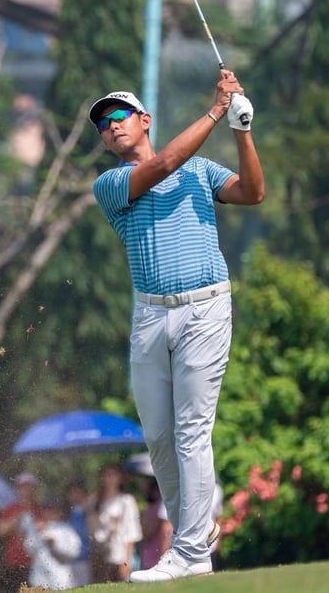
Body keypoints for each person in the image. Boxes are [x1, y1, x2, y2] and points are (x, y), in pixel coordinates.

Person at [90, 71, 263, 583]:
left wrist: (242, 128)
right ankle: (197, 536)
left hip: (206, 307)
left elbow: (253, 193)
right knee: (160, 439)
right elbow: (165, 162)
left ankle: (188, 552)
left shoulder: (202, 171)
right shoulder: (111, 184)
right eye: (102, 125)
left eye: (119, 116)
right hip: (149, 315)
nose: (111, 127)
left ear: (145, 120)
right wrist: (215, 110)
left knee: (191, 431)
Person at [87, 464, 142, 583]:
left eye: (112, 475)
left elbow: (131, 533)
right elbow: (92, 529)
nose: (109, 479)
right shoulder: (95, 501)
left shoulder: (126, 501)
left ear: (119, 477)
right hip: (99, 554)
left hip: (119, 554)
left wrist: (127, 561)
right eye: (106, 475)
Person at [0, 472, 41, 592]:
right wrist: (18, 516)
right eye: (23, 487)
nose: (27, 491)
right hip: (14, 561)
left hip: (35, 563)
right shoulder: (10, 508)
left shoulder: (40, 510)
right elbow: (0, 531)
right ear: (18, 489)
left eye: (30, 487)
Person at [19, 499, 82, 591]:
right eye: (47, 509)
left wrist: (56, 545)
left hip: (60, 577)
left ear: (59, 511)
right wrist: (39, 533)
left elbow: (74, 552)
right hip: (39, 577)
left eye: (53, 509)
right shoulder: (37, 527)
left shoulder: (66, 529)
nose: (49, 512)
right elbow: (29, 549)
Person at [137, 479, 171, 571]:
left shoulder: (158, 508)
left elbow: (146, 532)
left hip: (156, 552)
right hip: (151, 553)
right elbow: (145, 533)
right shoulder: (153, 509)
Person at [63, 481, 90, 588]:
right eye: (72, 492)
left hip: (85, 559)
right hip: (68, 561)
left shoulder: (88, 511)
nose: (75, 495)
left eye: (78, 492)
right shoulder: (64, 513)